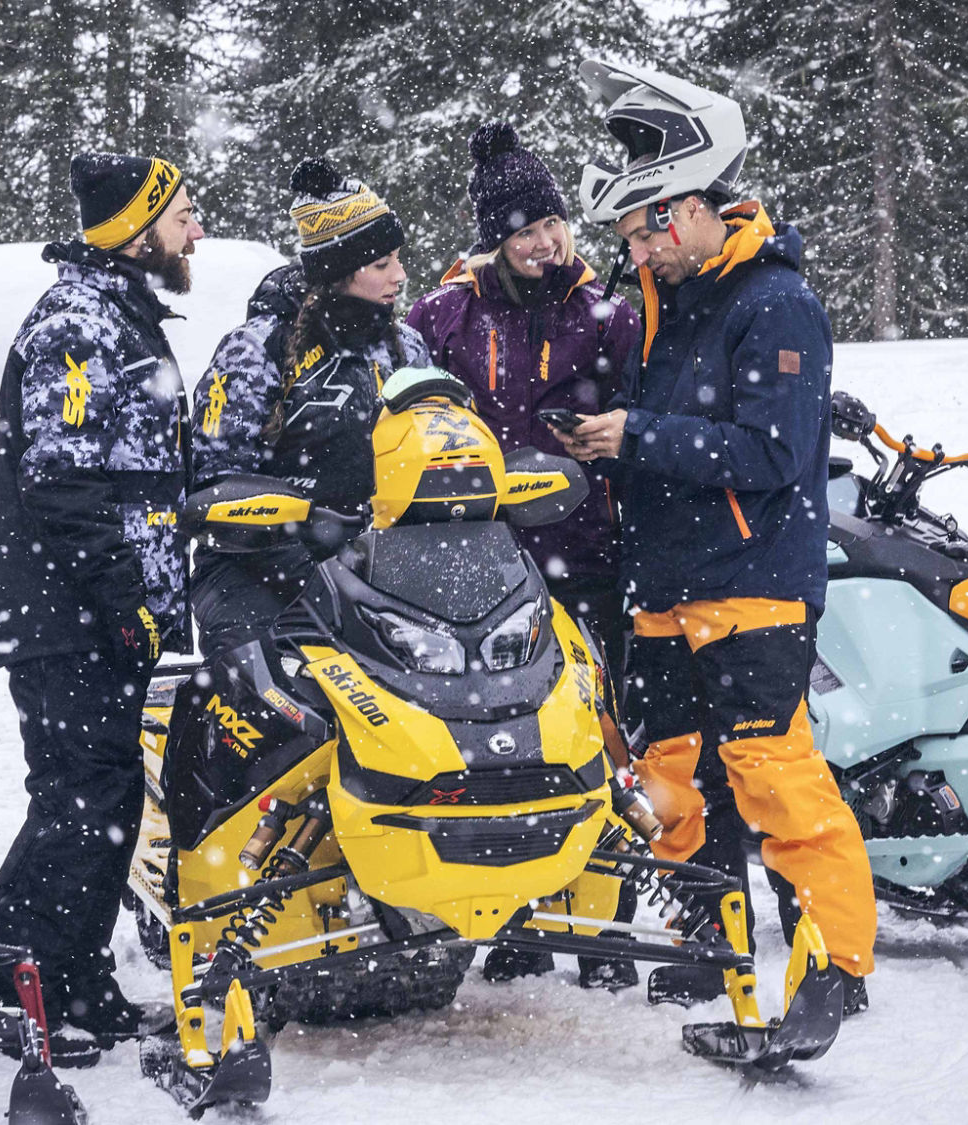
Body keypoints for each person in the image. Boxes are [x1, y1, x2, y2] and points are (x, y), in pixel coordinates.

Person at [559, 60, 877, 1016]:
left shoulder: (775, 302)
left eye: (641, 231)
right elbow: (675, 434)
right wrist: (602, 442)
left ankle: (834, 970)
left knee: (775, 778)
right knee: (667, 781)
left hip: (750, 583)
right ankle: (710, 939)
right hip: (666, 587)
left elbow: (775, 450)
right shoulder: (674, 302)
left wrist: (640, 435)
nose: (636, 253)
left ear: (689, 210)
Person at [0, 151, 201, 1064]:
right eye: (182, 214)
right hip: (66, 614)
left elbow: (144, 471)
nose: (196, 230)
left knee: (102, 794)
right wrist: (125, 601)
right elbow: (65, 483)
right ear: (137, 230)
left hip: (96, 612)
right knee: (82, 796)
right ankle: (17, 986)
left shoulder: (120, 313)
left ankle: (79, 987)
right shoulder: (80, 324)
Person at [405, 120, 642, 990]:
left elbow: (643, 415)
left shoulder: (607, 312)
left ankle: (605, 921)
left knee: (596, 735)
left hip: (588, 551)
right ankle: (519, 916)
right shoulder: (444, 314)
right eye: (523, 231)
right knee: (500, 747)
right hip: (477, 565)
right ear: (494, 240)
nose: (545, 243)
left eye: (552, 224)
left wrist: (608, 443)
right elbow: (401, 408)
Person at [188, 157, 428, 653]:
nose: (401, 275)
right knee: (262, 686)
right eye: (383, 264)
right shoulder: (255, 351)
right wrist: (302, 548)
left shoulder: (410, 346)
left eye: (399, 259)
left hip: (383, 567)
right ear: (339, 271)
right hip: (255, 569)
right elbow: (213, 481)